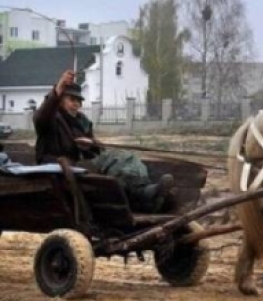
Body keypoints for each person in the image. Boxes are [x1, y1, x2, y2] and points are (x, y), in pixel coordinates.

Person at [33, 69, 175, 213]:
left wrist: (91, 145)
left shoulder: (82, 122)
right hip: (58, 166)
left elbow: (98, 151)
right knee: (115, 161)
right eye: (72, 100)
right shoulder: (51, 119)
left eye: (79, 101)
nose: (76, 104)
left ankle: (144, 192)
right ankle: (143, 196)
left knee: (128, 158)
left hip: (82, 165)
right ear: (60, 100)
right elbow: (40, 117)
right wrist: (58, 88)